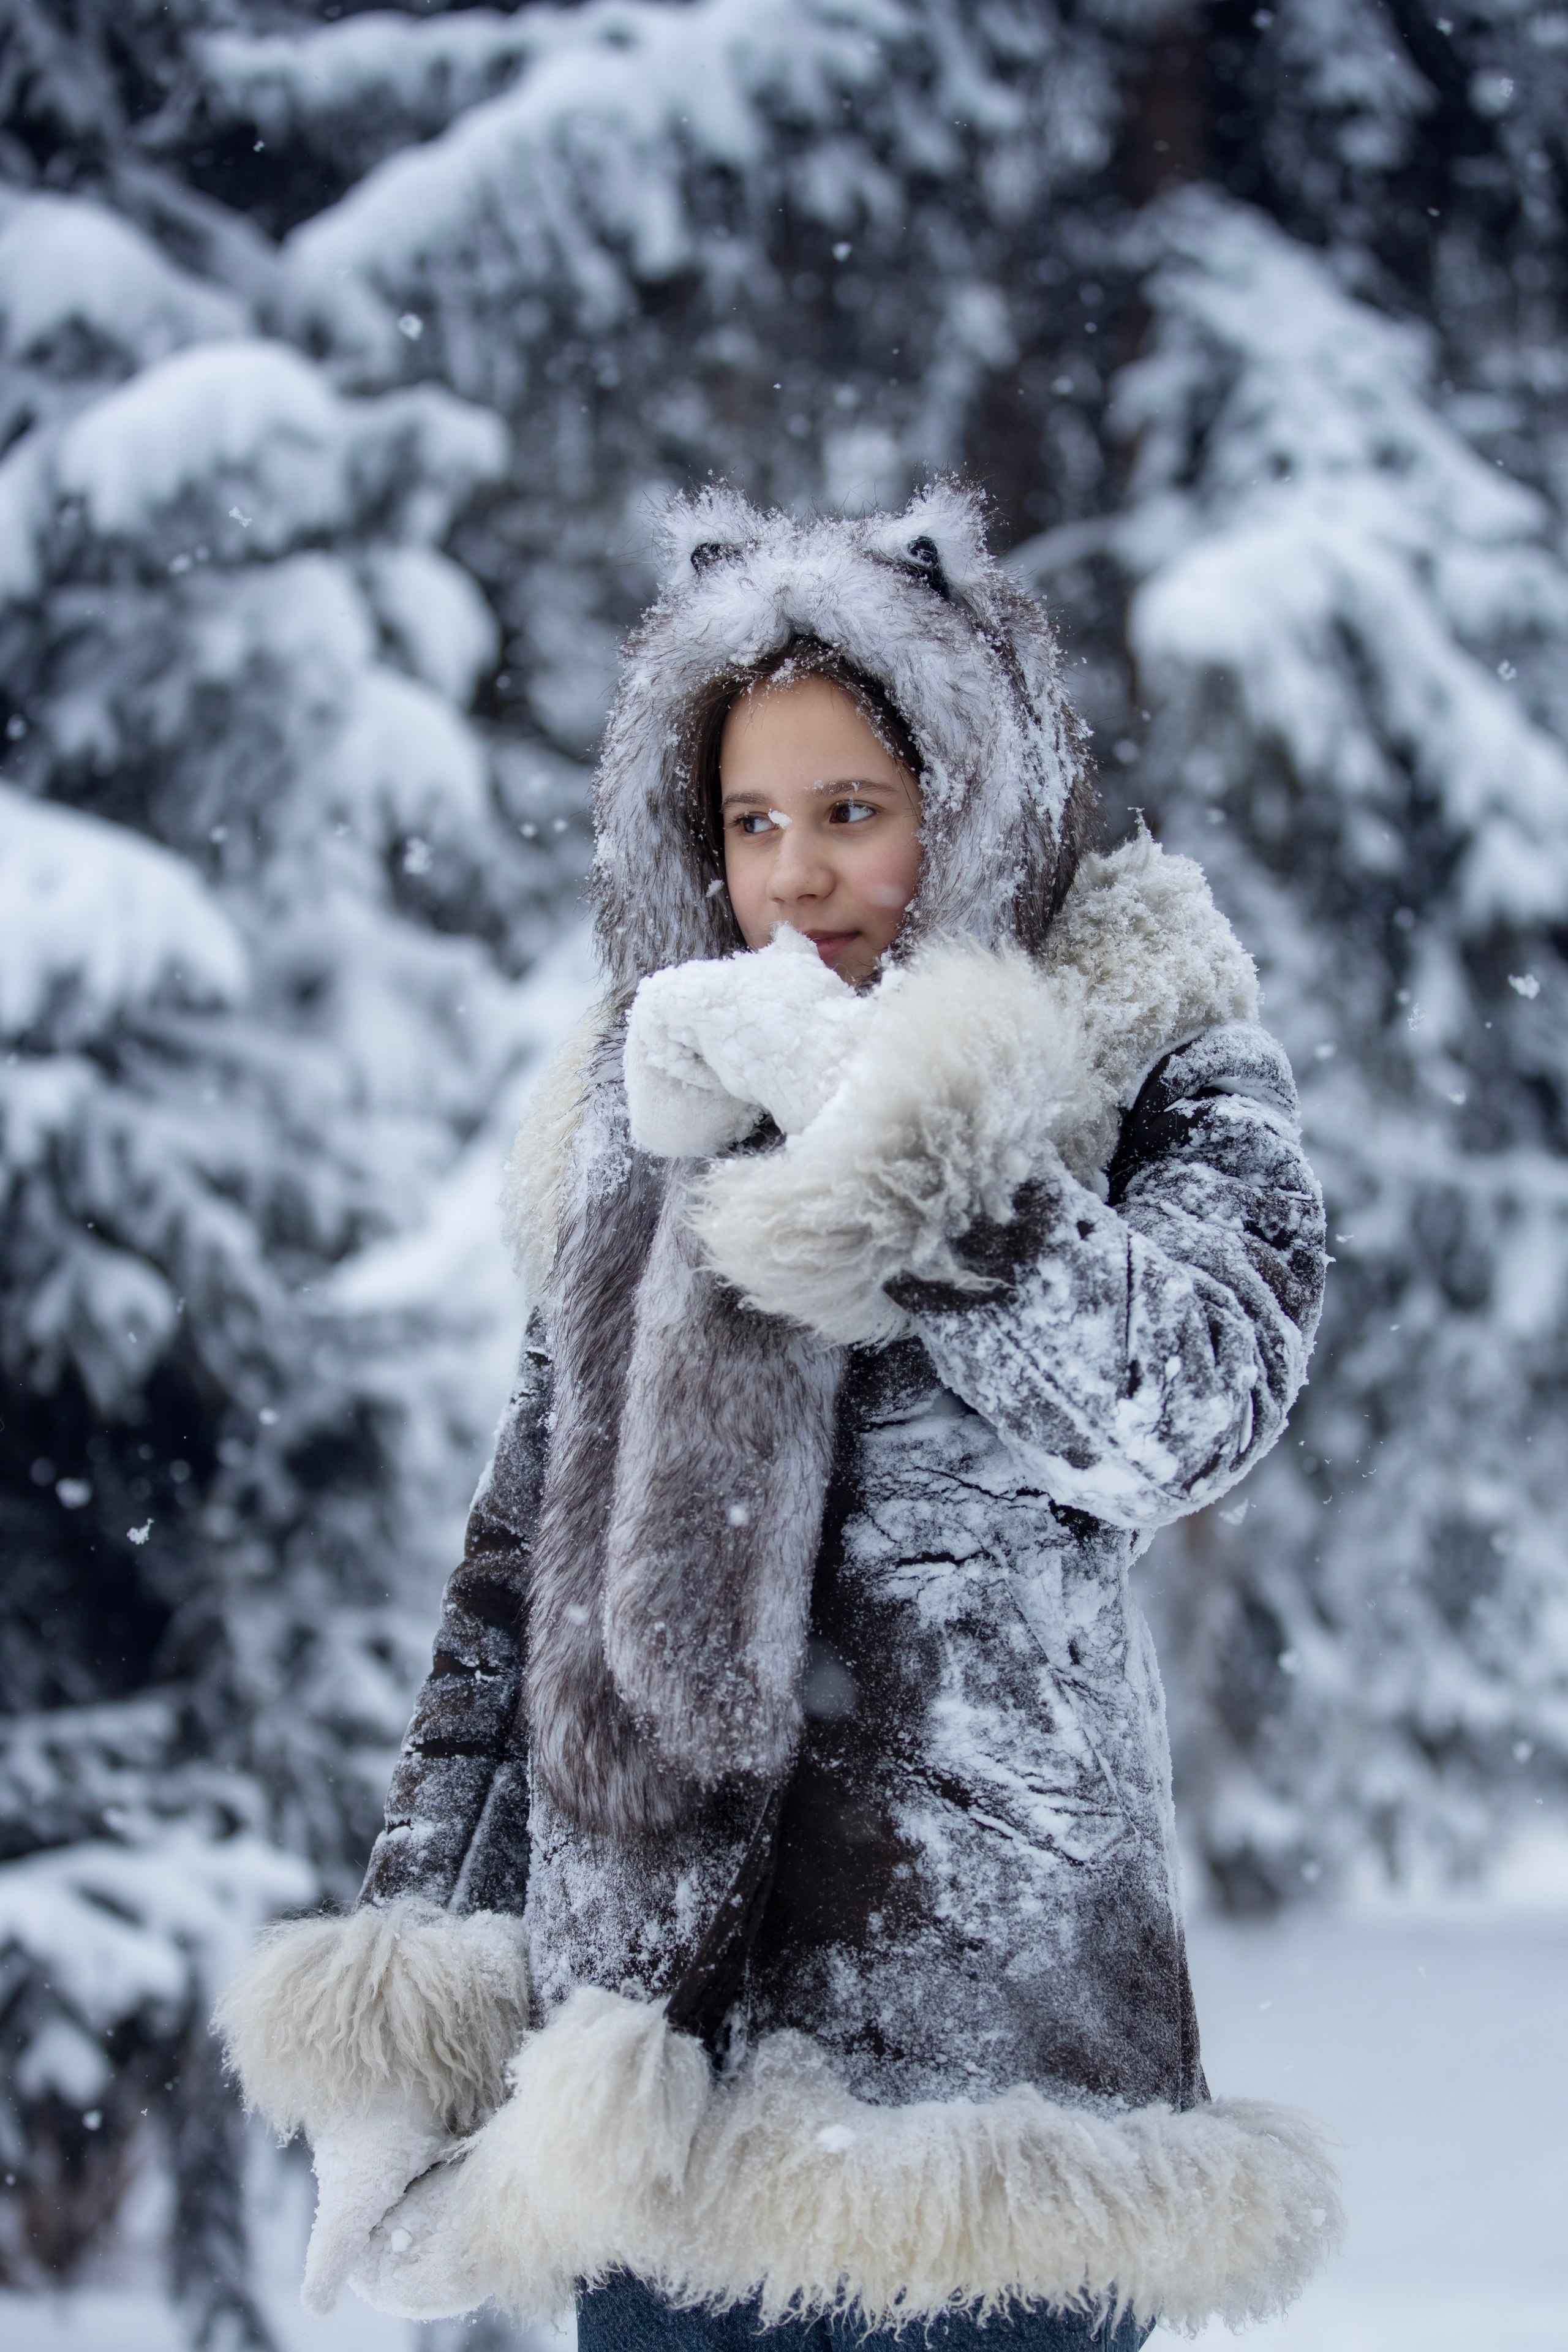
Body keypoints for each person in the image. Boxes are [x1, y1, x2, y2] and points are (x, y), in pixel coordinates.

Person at [218, 486, 1340, 2348]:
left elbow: (1184, 1411)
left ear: (969, 806)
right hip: (657, 2084)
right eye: (752, 824)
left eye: (853, 815)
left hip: (994, 2106)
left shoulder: (1146, 1049)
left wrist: (887, 1136)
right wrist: (399, 2007)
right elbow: (519, 1568)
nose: (797, 878)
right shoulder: (650, 1101)